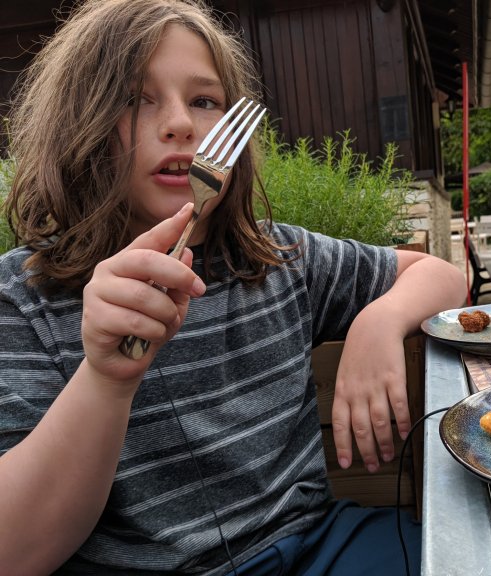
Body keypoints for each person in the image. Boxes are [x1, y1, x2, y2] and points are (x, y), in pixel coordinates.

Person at [0, 1, 466, 574]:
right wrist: (106, 379)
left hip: (316, 545)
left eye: (205, 101)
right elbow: (14, 552)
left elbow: (442, 276)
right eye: (134, 98)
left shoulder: (274, 258)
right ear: (78, 122)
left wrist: (379, 321)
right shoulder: (23, 299)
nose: (180, 123)